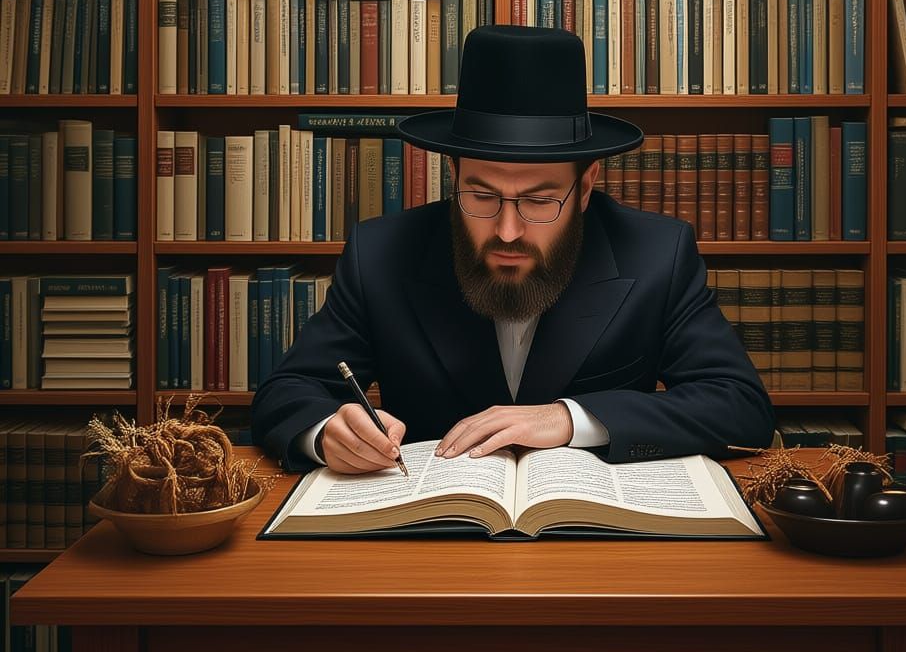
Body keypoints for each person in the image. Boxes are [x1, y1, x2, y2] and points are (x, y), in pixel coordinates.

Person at [252, 25, 775, 473]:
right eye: (481, 195)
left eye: (541, 199)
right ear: (453, 174)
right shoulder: (382, 253)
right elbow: (287, 392)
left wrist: (570, 417)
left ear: (587, 185)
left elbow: (740, 406)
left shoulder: (658, 253)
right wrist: (325, 433)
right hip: (428, 546)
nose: (506, 230)